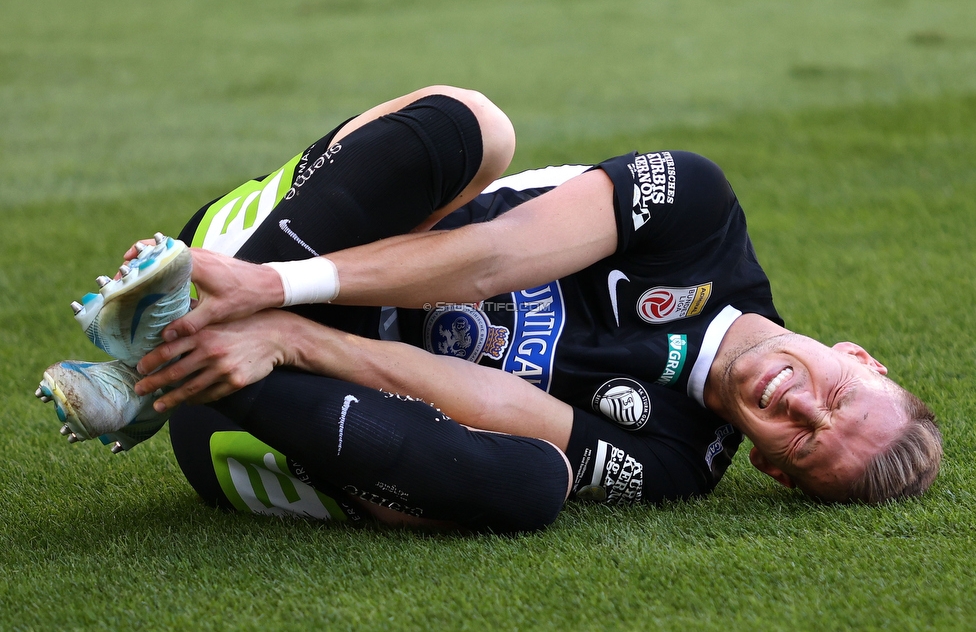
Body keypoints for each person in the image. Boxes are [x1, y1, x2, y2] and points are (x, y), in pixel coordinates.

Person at [39, 86, 941, 532]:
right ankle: (187, 327)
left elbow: (506, 413)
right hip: (273, 250)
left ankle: (171, 366)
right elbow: (494, 258)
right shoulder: (700, 214)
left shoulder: (682, 461)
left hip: (273, 422)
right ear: (857, 355)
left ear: (778, 471)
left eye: (807, 441)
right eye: (838, 395)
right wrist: (273, 290)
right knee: (476, 123)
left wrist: (291, 342)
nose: (802, 406)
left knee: (531, 484)